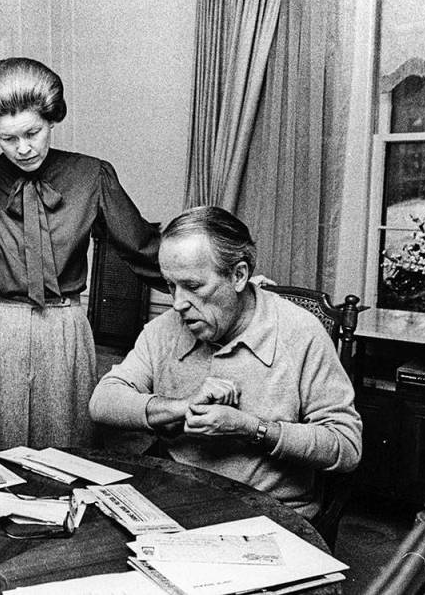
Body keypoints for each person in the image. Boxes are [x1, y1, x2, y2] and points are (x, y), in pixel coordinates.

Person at [0, 57, 163, 451]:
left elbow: (144, 247)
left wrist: (215, 276)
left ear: (52, 121)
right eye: (8, 139)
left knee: (67, 451)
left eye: (33, 132)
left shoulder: (92, 175)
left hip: (65, 327)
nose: (23, 149)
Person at [89, 206, 361, 518]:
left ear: (238, 275)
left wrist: (251, 429)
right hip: (177, 501)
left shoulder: (301, 333)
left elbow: (346, 446)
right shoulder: (166, 328)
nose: (178, 303)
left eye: (193, 286)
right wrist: (182, 406)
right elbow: (103, 400)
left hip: (270, 513)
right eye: (170, 285)